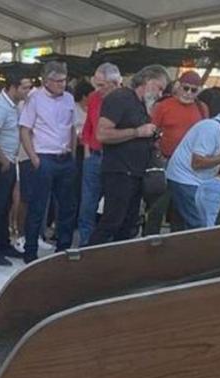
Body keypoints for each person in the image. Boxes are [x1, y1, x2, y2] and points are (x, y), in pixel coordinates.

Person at [88, 64, 169, 245]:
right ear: (148, 81)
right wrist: (137, 132)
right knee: (112, 221)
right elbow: (102, 134)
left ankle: (118, 265)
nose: (160, 94)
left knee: (128, 225)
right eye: (160, 88)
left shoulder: (142, 105)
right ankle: (88, 262)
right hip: (119, 171)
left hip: (136, 173)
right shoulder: (120, 97)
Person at [18, 61, 78, 262]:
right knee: (38, 206)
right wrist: (34, 157)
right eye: (58, 81)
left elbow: (72, 128)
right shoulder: (35, 99)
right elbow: (25, 129)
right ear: (46, 81)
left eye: (64, 80)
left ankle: (63, 249)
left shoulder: (69, 98)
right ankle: (31, 251)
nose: (63, 84)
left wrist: (73, 152)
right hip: (44, 157)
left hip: (65, 157)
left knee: (67, 206)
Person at [147, 72, 209, 234]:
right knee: (157, 207)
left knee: (182, 209)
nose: (188, 93)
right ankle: (149, 242)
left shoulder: (202, 108)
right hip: (165, 161)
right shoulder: (163, 106)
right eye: (185, 88)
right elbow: (151, 132)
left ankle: (178, 244)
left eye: (193, 90)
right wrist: (156, 155)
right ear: (178, 86)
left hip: (188, 167)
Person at [0, 77, 30, 266]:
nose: (28, 91)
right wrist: (2, 160)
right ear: (13, 86)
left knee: (5, 206)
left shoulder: (13, 105)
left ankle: (4, 243)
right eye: (24, 87)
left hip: (9, 161)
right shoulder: (0, 107)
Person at [76, 63, 121, 246]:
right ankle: (86, 242)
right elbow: (88, 126)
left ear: (115, 83)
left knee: (112, 204)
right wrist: (87, 150)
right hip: (94, 155)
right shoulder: (94, 98)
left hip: (114, 157)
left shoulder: (123, 99)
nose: (98, 89)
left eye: (102, 85)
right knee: (88, 203)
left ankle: (104, 243)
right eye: (97, 84)